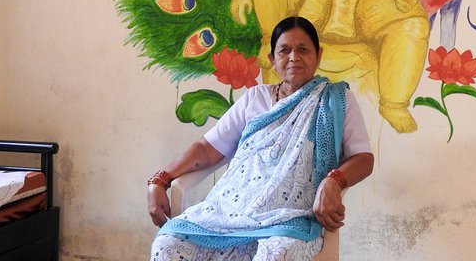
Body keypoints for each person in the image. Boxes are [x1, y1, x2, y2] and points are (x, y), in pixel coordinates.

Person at [148, 16, 374, 260]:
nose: (294, 58)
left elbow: (363, 158)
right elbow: (207, 148)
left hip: (291, 217)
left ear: (318, 55)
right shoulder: (255, 98)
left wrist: (334, 180)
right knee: (168, 245)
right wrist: (160, 180)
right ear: (272, 60)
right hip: (231, 211)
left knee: (274, 254)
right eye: (284, 50)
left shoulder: (335, 100)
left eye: (303, 50)